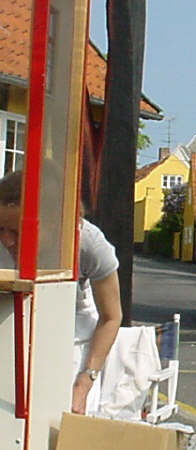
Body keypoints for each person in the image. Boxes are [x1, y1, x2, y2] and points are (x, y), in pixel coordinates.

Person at [0, 166, 122, 415]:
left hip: (71, 337)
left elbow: (111, 317)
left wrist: (83, 384)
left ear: (56, 222)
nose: (6, 241)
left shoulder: (89, 243)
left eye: (16, 231)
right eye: (0, 229)